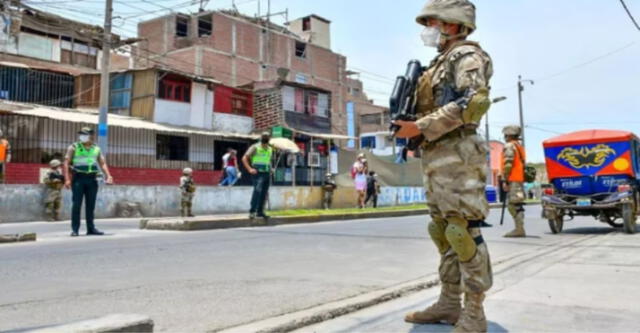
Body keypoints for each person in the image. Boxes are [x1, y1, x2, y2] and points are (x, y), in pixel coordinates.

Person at [394, 1, 494, 331]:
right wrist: (412, 131)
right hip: (436, 155)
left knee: (462, 230)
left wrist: (421, 127)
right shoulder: (439, 62)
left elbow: (472, 102)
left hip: (460, 155)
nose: (429, 29)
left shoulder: (467, 56)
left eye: (433, 22)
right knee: (442, 231)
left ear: (452, 25)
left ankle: (474, 312)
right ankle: (449, 303)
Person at [64, 127, 113, 237]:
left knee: (90, 205)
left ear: (91, 136)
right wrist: (67, 179)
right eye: (81, 134)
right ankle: (75, 229)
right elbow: (66, 163)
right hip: (78, 178)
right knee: (76, 204)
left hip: (92, 179)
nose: (82, 136)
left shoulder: (96, 149)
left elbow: (102, 163)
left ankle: (91, 228)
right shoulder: (73, 147)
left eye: (85, 134)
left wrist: (108, 175)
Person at [501, 125, 527, 238]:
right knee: (517, 204)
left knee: (513, 205)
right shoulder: (518, 146)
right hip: (519, 178)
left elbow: (508, 164)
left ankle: (519, 229)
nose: (504, 137)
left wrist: (505, 180)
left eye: (505, 135)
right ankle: (519, 228)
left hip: (512, 179)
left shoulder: (509, 146)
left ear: (508, 135)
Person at [242, 131, 274, 219]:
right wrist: (249, 169)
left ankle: (260, 212)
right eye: (264, 136)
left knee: (264, 193)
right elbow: (244, 158)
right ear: (261, 137)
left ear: (269, 138)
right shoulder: (255, 147)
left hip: (266, 173)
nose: (266, 138)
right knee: (257, 191)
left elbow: (268, 161)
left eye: (267, 136)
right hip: (257, 173)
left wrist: (271, 169)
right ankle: (252, 211)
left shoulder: (270, 149)